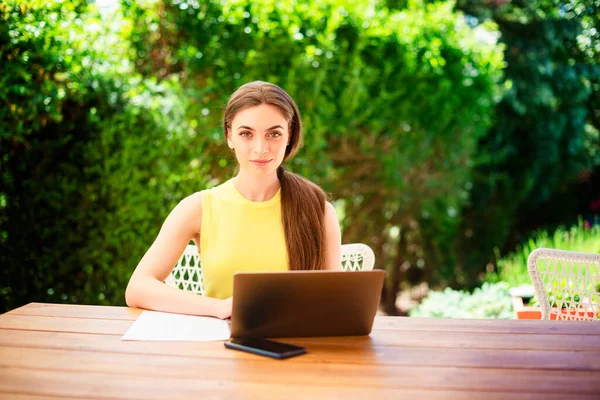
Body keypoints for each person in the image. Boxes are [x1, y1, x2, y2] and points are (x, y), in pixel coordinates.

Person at [125, 81, 342, 319]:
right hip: (222, 347)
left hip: (300, 348)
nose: (261, 148)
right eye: (246, 134)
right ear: (229, 136)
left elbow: (336, 300)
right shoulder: (198, 207)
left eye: (274, 134)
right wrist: (217, 308)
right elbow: (138, 288)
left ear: (289, 136)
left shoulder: (319, 211)